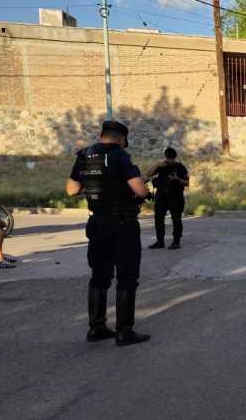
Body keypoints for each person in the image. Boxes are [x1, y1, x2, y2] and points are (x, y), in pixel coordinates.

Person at [66, 120, 152, 346]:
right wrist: (141, 185)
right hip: (122, 224)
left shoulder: (84, 155)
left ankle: (97, 328)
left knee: (99, 276)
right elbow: (139, 190)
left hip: (97, 223)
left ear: (101, 134)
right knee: (126, 278)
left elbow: (71, 189)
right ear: (122, 139)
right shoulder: (120, 155)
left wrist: (97, 184)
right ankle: (124, 332)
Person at [146, 148, 189, 250]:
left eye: (171, 158)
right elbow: (148, 173)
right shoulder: (161, 166)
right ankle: (160, 241)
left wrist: (177, 179)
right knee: (158, 219)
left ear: (174, 157)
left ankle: (176, 241)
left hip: (176, 196)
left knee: (176, 219)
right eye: (168, 158)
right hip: (161, 196)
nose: (170, 161)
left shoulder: (180, 167)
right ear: (165, 157)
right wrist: (157, 164)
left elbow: (187, 183)